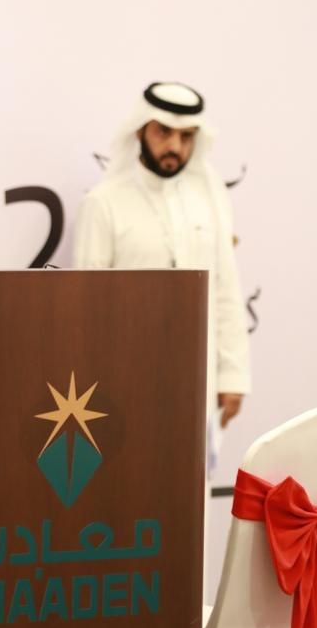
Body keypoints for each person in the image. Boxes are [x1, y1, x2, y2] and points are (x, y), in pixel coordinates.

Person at [73, 81, 251, 449]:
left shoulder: (208, 200)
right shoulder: (104, 203)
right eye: (163, 132)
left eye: (186, 137)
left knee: (194, 479)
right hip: (123, 382)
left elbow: (225, 290)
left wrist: (232, 376)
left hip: (198, 381)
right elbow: (87, 308)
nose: (175, 147)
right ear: (140, 130)